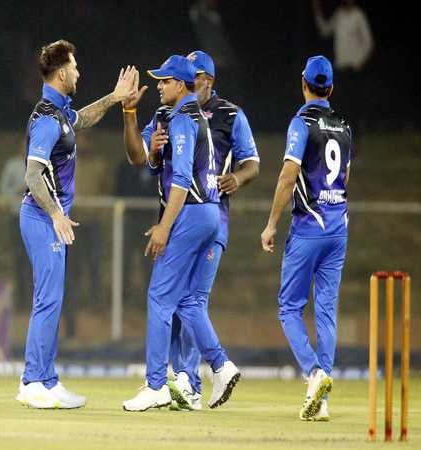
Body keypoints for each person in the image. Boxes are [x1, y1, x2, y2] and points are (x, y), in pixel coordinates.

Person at [122, 51, 259, 411]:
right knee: (188, 301)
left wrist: (164, 227)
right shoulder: (181, 115)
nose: (159, 86)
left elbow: (181, 179)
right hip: (210, 213)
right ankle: (221, 366)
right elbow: (141, 158)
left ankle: (156, 385)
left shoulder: (183, 118)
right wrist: (131, 115)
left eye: (165, 81)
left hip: (192, 213)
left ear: (184, 83)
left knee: (159, 297)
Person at [15, 39, 135, 409]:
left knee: (52, 299)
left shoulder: (61, 113)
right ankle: (33, 381)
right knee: (47, 300)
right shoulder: (47, 120)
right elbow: (33, 176)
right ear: (63, 73)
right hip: (41, 218)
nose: (80, 72)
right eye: (76, 67)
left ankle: (47, 380)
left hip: (50, 219)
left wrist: (115, 98)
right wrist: (55, 214)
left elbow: (84, 119)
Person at [260, 55, 351, 421]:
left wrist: (270, 224)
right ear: (330, 87)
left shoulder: (301, 123)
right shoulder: (345, 126)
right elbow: (345, 176)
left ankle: (314, 374)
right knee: (327, 311)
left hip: (309, 227)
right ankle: (322, 399)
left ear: (304, 84)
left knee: (289, 308)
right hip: (338, 226)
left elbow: (288, 174)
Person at [312, 0, 373, 131]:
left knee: (354, 106)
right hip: (340, 68)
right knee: (341, 105)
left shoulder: (358, 15)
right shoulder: (339, 14)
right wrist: (318, 13)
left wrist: (358, 63)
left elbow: (368, 43)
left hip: (353, 69)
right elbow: (325, 31)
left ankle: (356, 139)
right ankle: (342, 137)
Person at [0, 155, 29, 310]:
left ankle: (32, 298)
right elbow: (4, 191)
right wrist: (16, 193)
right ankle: (20, 299)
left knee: (34, 260)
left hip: (37, 220)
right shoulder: (13, 166)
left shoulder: (44, 162)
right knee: (18, 259)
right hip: (17, 217)